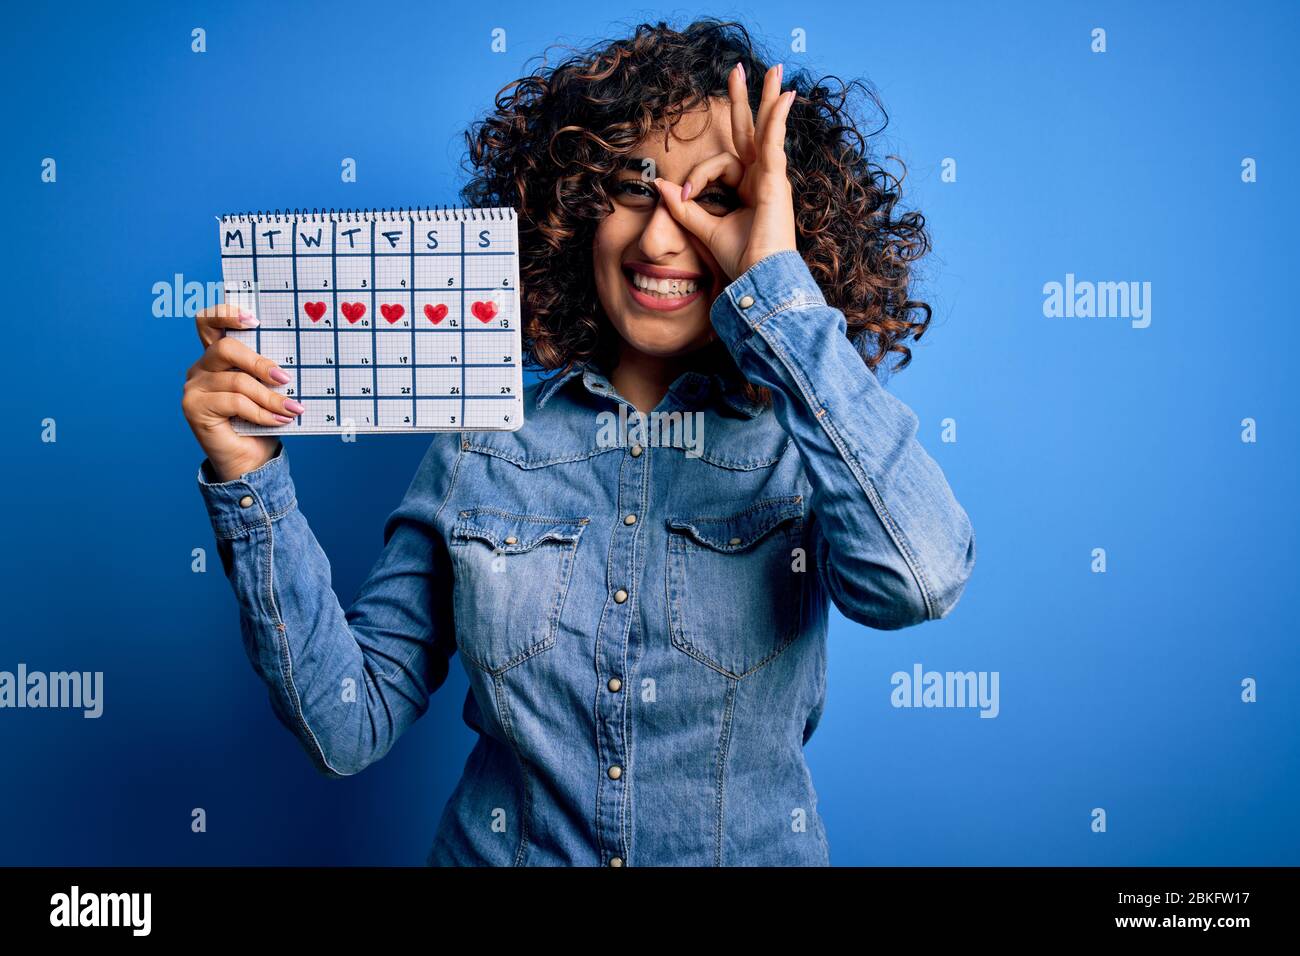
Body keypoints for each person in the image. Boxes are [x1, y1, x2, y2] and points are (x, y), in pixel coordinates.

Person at [181, 18, 976, 866]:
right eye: (635, 186)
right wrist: (249, 476)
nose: (662, 238)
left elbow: (920, 581)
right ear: (579, 209)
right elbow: (347, 725)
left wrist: (774, 288)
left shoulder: (807, 442)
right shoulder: (480, 444)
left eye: (714, 197)